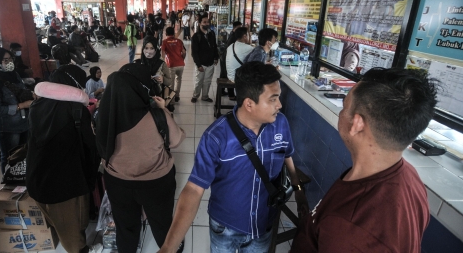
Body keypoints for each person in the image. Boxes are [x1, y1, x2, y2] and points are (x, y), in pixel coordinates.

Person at [158, 61, 308, 253]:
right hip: (226, 227)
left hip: (263, 224)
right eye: (273, 99)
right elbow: (194, 189)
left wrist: (299, 192)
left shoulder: (281, 124)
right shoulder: (216, 137)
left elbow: (287, 155)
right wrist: (168, 247)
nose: (279, 105)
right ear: (249, 104)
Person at [290, 68, 437, 252]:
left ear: (357, 124)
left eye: (344, 107)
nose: (341, 113)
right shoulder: (409, 176)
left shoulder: (349, 231)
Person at [96, 63, 185, 253]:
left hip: (117, 181)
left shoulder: (102, 115)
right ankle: (169, 247)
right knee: (161, 222)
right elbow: (176, 140)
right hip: (156, 182)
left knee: (125, 225)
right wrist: (164, 110)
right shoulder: (156, 116)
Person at [26, 65, 101, 253]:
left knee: (56, 219)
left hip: (37, 176)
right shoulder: (76, 109)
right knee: (72, 229)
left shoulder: (37, 105)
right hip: (64, 183)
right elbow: (90, 145)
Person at [0, 47, 34, 174]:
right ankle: (9, 182)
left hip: (24, 122)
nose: (9, 62)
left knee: (23, 152)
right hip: (8, 127)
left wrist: (31, 94)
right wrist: (22, 105)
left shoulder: (13, 75)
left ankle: (22, 178)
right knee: (10, 155)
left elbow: (20, 91)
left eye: (10, 59)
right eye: (5, 60)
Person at [190, 14, 219, 103]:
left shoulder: (212, 34)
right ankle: (195, 95)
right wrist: (198, 65)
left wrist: (216, 57)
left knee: (207, 81)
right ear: (199, 23)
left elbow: (214, 46)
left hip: (210, 63)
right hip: (201, 63)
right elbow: (194, 52)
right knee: (199, 81)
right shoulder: (196, 37)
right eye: (204, 22)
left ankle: (205, 96)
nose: (207, 24)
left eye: (208, 22)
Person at [161, 27, 186, 106]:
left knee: (171, 83)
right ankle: (177, 96)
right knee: (179, 80)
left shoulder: (165, 42)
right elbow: (184, 52)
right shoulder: (179, 41)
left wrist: (163, 63)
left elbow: (163, 54)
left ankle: (171, 100)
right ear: (174, 33)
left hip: (171, 65)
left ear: (166, 34)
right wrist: (182, 59)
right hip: (181, 64)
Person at [219, 21, 243, 98]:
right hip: (226, 57)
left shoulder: (233, 34)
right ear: (235, 28)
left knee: (224, 74)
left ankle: (222, 92)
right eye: (239, 27)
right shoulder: (234, 36)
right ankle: (231, 95)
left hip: (225, 57)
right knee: (228, 75)